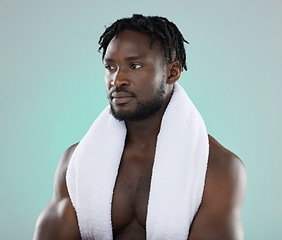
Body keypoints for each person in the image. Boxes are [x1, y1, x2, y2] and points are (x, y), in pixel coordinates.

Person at [33, 14, 247, 240]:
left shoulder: (217, 168)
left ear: (172, 73)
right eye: (110, 66)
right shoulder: (76, 162)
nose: (117, 80)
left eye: (134, 65)